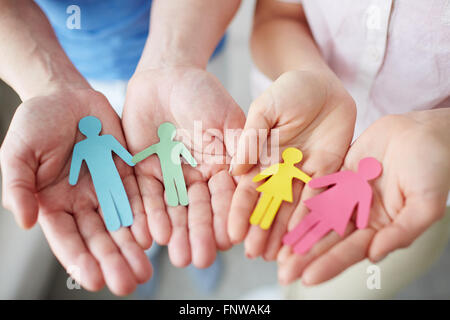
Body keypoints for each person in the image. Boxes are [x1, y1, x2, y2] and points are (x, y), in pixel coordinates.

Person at [0, 0, 244, 295]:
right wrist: (48, 85)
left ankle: (197, 255)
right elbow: (99, 160)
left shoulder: (107, 140)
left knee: (184, 200)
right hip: (76, 67)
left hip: (193, 43)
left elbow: (161, 154)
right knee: (131, 207)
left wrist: (176, 57)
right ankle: (148, 252)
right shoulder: (97, 140)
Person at [228, 0, 450, 299]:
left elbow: (326, 186)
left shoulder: (350, 180)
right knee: (289, 239)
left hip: (412, 177)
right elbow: (277, 15)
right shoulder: (314, 171)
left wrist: (440, 132)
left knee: (326, 276)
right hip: (303, 129)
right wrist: (307, 71)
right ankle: (285, 292)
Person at [70, 116, 135, 231]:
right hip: (112, 175)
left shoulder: (80, 147)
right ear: (98, 127)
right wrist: (137, 158)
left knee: (105, 199)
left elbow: (75, 169)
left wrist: (73, 180)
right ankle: (126, 219)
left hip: (99, 179)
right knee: (119, 195)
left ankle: (113, 223)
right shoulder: (107, 139)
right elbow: (128, 158)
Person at [132, 122, 197, 207]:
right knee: (177, 182)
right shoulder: (176, 145)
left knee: (172, 183)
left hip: (168, 170)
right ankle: (182, 199)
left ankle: (176, 200)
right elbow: (188, 156)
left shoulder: (159, 146)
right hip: (175, 169)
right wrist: (193, 162)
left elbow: (145, 153)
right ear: (172, 134)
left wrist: (134, 159)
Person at [251, 147, 311, 230]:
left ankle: (260, 220)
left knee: (268, 202)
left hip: (275, 187)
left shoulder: (281, 167)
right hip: (280, 189)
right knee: (270, 203)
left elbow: (304, 177)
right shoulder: (289, 169)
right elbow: (305, 178)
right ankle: (261, 220)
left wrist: (257, 178)